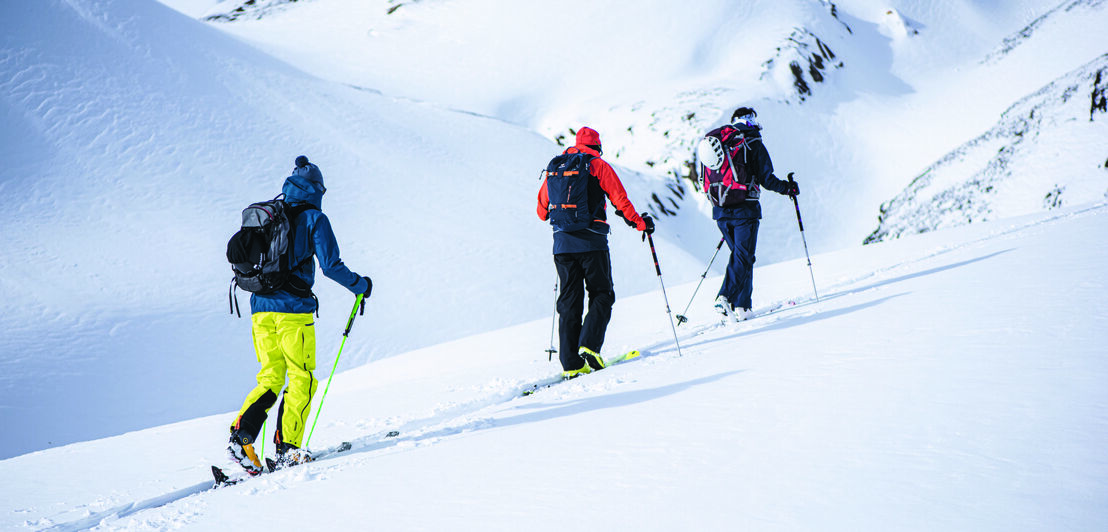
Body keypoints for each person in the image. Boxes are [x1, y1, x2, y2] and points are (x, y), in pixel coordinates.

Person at [228, 155, 372, 474]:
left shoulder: (270, 213)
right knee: (301, 378)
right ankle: (288, 450)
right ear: (317, 189)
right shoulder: (314, 218)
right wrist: (361, 285)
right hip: (293, 312)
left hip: (260, 309)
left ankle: (242, 436)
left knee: (270, 376)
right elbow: (331, 266)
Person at [536, 127, 654, 379]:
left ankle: (571, 363)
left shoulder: (557, 167)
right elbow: (620, 200)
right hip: (593, 243)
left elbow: (541, 210)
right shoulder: (598, 165)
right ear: (597, 146)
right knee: (602, 293)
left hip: (562, 246)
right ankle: (589, 345)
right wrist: (641, 223)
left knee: (569, 301)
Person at [699, 107, 798, 321]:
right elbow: (767, 179)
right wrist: (788, 188)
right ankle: (724, 297)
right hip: (745, 209)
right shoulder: (752, 142)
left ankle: (743, 307)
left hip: (721, 211)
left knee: (742, 258)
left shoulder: (718, 143)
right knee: (743, 257)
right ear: (751, 121)